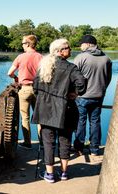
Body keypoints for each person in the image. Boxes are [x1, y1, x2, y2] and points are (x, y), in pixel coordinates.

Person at [32, 39, 86, 183]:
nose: (71, 50)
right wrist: (75, 93)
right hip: (66, 108)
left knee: (48, 141)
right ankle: (63, 173)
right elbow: (82, 83)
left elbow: (35, 87)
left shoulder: (43, 66)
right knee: (65, 140)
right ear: (60, 51)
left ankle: (49, 174)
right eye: (68, 48)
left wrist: (43, 98)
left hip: (45, 109)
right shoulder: (71, 68)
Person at [73, 35, 112, 156]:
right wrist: (102, 89)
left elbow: (73, 77)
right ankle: (94, 149)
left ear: (88, 44)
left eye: (82, 44)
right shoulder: (106, 58)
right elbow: (108, 78)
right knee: (95, 121)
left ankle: (79, 148)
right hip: (99, 95)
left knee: (80, 121)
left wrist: (74, 92)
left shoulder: (81, 57)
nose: (80, 46)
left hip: (82, 96)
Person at [7, 35, 42, 149]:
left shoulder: (20, 57)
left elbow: (10, 73)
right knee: (39, 118)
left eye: (23, 43)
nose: (22, 45)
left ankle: (27, 142)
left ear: (28, 44)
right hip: (38, 89)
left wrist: (16, 78)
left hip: (24, 89)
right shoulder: (41, 57)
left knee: (25, 117)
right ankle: (42, 143)